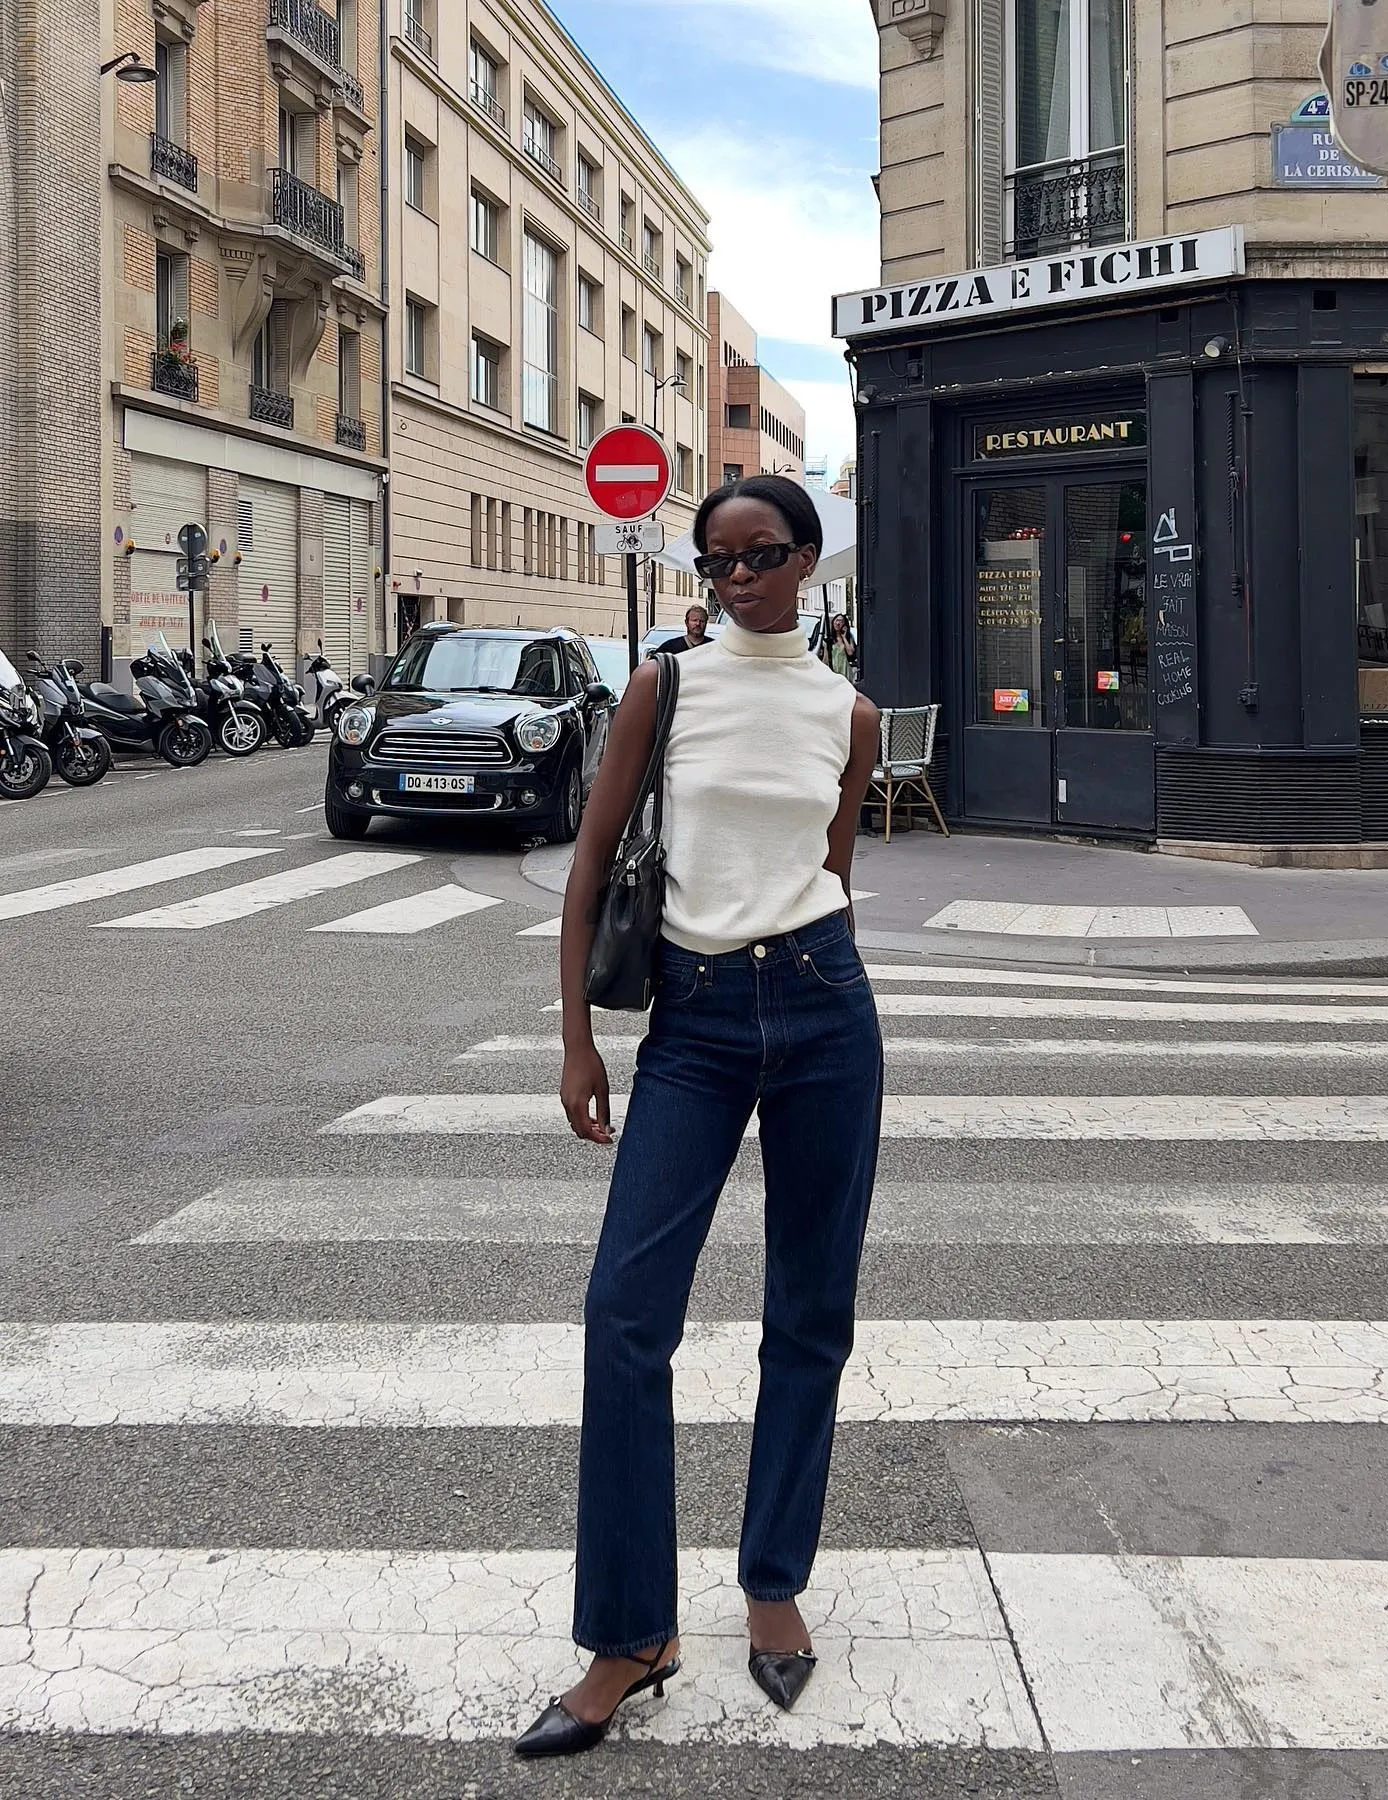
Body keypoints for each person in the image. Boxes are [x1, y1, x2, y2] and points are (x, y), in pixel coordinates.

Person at [515, 475, 883, 1759]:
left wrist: (807, 961)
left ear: (807, 563)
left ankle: (772, 1582)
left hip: (826, 1009)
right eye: (716, 561)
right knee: (624, 1313)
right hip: (697, 1023)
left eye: (761, 556)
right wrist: (576, 1043)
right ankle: (631, 1633)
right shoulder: (664, 691)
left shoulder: (853, 714)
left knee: (810, 1309)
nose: (736, 580)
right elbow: (587, 871)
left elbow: (832, 871)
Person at [827, 612, 858, 683]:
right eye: (837, 620)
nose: (838, 623)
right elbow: (826, 658)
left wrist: (844, 637)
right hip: (833, 671)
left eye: (841, 621)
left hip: (845, 671)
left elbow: (850, 652)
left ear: (844, 625)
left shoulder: (849, 638)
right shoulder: (829, 639)